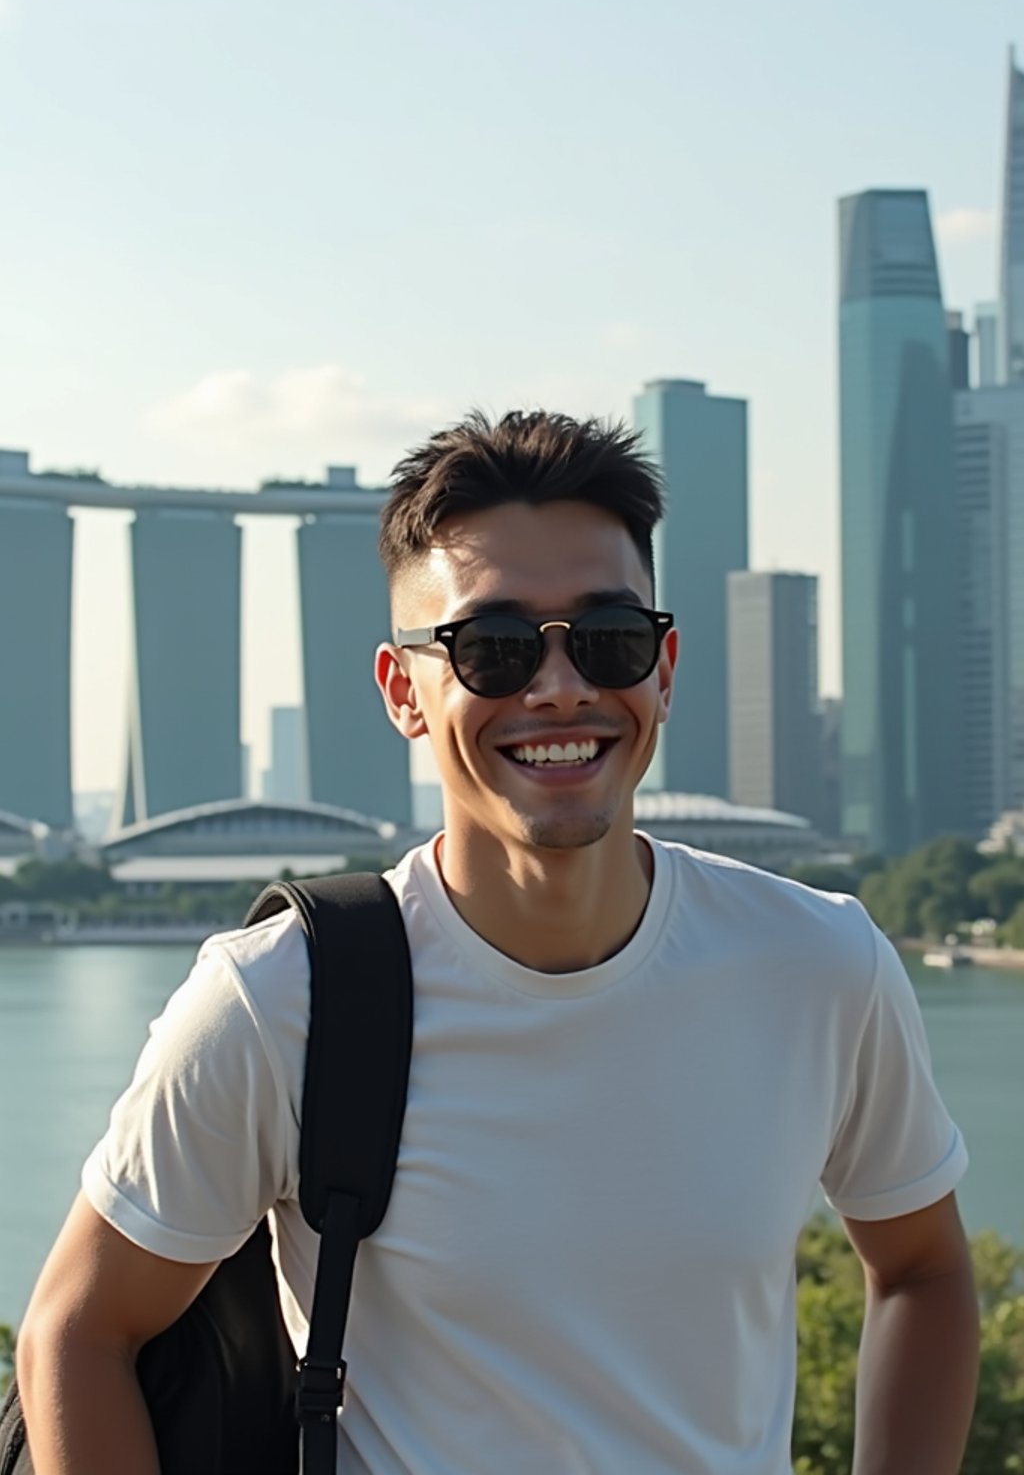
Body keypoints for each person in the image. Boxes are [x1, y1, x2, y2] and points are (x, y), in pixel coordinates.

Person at [19, 410, 978, 1473]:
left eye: (606, 638)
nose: (559, 687)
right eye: (494, 647)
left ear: (663, 667)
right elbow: (79, 1331)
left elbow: (923, 1271)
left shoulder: (819, 965)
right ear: (403, 693)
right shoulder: (279, 1002)